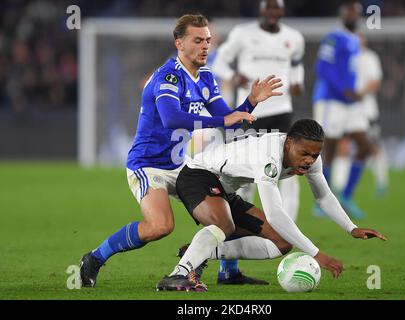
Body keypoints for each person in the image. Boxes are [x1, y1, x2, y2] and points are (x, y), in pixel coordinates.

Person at [79, 14, 283, 287]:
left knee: (227, 211)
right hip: (148, 165)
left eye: (208, 40)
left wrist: (250, 102)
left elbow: (230, 120)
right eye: (197, 40)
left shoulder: (206, 76)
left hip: (182, 165)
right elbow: (172, 119)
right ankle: (94, 258)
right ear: (179, 44)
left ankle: (228, 272)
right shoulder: (169, 76)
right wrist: (225, 120)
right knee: (160, 226)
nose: (205, 46)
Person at [156, 119, 387, 292]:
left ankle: (199, 253)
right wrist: (317, 254)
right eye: (304, 153)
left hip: (225, 190)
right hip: (198, 175)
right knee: (224, 225)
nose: (309, 159)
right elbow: (275, 214)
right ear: (288, 143)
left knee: (282, 242)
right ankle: (178, 274)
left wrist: (351, 227)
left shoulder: (311, 158)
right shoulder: (269, 157)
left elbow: (324, 197)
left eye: (315, 155)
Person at [211, 0, 305, 284]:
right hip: (248, 113)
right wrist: (234, 76)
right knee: (244, 179)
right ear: (262, 10)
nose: (273, 12)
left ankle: (283, 232)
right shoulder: (242, 34)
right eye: (269, 8)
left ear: (282, 11)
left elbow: (297, 66)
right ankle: (232, 260)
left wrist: (297, 82)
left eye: (277, 8)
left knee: (288, 175)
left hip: (281, 112)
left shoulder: (294, 38)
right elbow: (220, 62)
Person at [312, 0, 372, 219]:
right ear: (342, 13)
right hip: (331, 100)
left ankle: (346, 196)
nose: (352, 14)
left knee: (365, 146)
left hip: (349, 101)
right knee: (330, 150)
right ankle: (321, 202)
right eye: (349, 11)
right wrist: (343, 90)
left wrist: (353, 92)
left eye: (355, 11)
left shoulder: (355, 40)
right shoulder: (334, 37)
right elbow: (322, 68)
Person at [331, 33, 387, 197]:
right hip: (345, 110)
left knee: (372, 147)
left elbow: (375, 83)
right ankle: (338, 187)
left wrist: (359, 94)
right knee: (342, 145)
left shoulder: (370, 57)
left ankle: (381, 182)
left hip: (366, 111)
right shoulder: (343, 57)